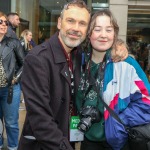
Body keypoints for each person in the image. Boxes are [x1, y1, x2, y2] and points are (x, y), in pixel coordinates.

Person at [18, 1, 128, 150]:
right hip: (43, 145)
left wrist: (118, 45)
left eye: (82, 23)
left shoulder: (78, 55)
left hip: (65, 140)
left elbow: (102, 42)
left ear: (87, 30)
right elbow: (40, 119)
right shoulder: (38, 59)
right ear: (59, 23)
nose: (76, 28)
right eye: (70, 21)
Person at [76, 9, 150, 150]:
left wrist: (119, 122)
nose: (103, 35)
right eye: (97, 29)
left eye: (108, 30)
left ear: (114, 34)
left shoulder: (126, 64)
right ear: (89, 33)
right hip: (88, 139)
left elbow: (147, 101)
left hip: (118, 141)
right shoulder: (78, 62)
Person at [0, 12, 24, 150]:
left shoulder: (13, 43)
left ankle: (13, 147)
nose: (4, 25)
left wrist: (16, 78)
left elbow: (24, 63)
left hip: (10, 89)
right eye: (1, 22)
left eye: (6, 23)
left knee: (11, 122)